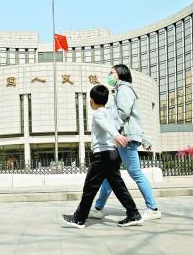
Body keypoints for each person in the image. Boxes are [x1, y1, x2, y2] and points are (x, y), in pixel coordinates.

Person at [61, 85, 143, 229]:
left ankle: (79, 219)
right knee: (118, 186)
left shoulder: (98, 114)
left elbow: (107, 126)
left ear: (91, 100)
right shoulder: (110, 112)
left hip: (102, 156)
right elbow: (116, 123)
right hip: (112, 154)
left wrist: (116, 135)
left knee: (90, 188)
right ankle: (133, 213)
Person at [88, 64, 161, 221]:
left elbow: (123, 113)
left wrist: (111, 131)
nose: (109, 75)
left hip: (125, 139)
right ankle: (98, 208)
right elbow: (134, 118)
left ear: (120, 74)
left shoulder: (124, 89)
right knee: (110, 175)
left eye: (112, 72)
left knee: (135, 172)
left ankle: (153, 208)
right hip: (123, 138)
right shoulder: (120, 90)